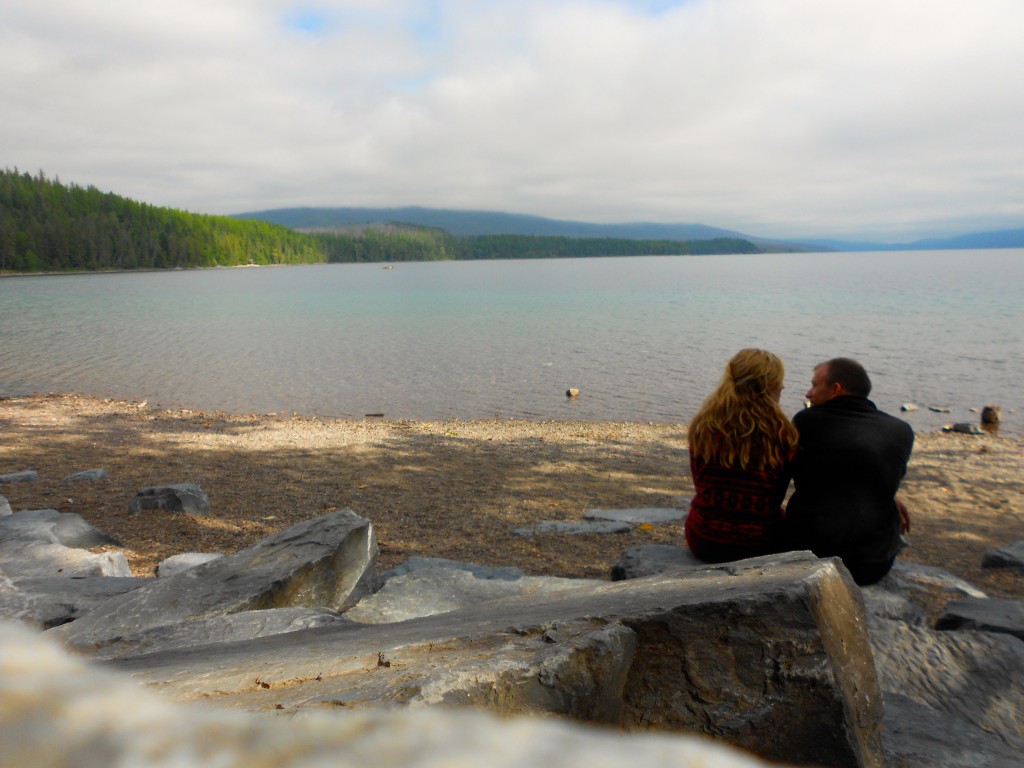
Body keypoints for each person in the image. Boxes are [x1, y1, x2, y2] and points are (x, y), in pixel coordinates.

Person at [784, 357, 914, 585]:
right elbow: (862, 469)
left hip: (810, 558)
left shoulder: (806, 421)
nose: (808, 393)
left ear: (835, 389)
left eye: (814, 385)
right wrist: (889, 496)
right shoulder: (901, 430)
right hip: (871, 565)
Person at [685, 348, 799, 563]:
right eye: (779, 382)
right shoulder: (784, 432)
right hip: (759, 543)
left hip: (704, 537)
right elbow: (776, 494)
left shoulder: (704, 424)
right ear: (770, 386)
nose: (783, 387)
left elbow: (700, 483)